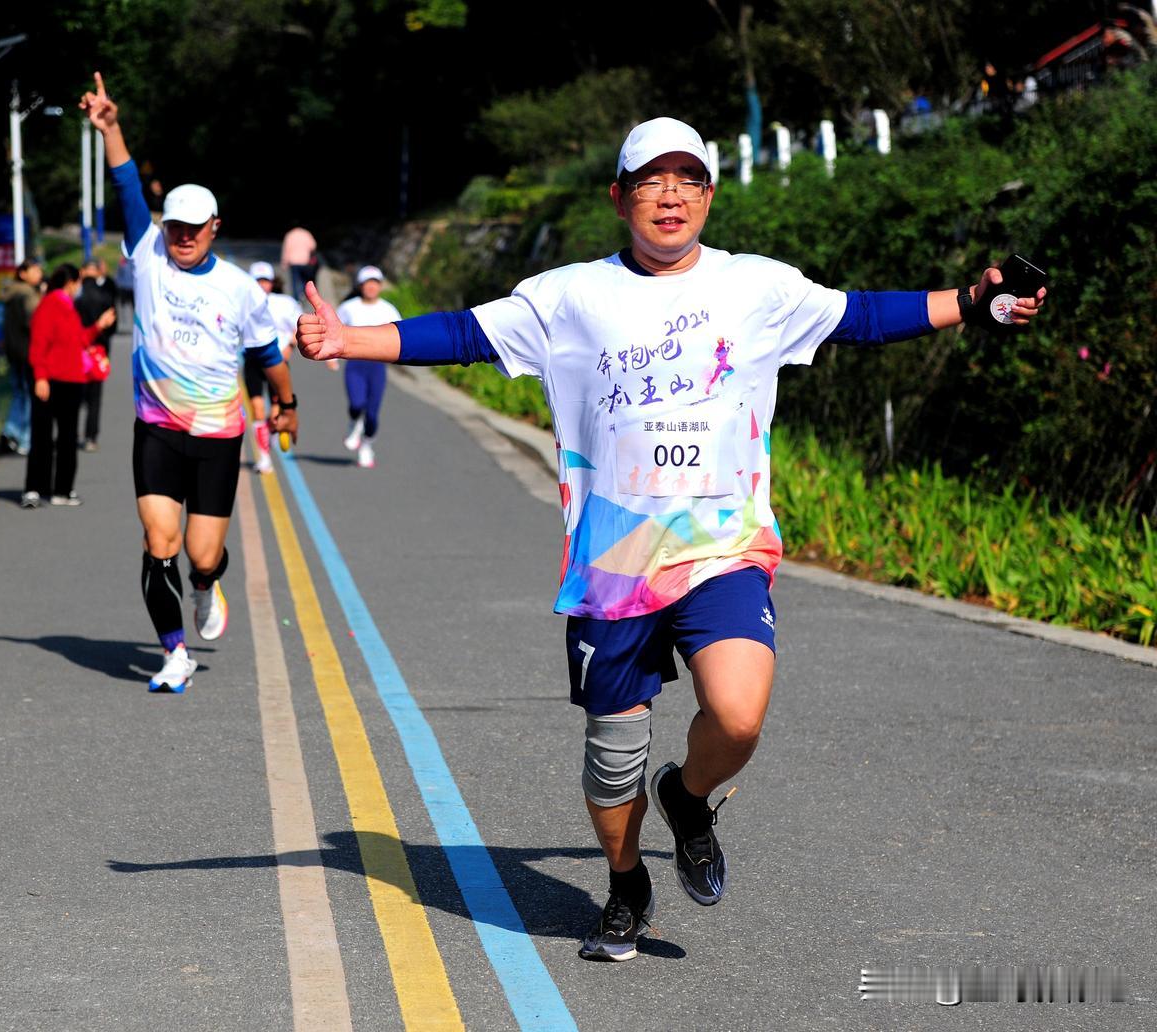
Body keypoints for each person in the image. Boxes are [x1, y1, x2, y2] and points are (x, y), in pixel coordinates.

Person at [296, 117, 1047, 962]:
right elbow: (469, 335)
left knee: (738, 713)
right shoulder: (571, 296)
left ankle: (687, 800)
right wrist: (348, 338)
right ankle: (625, 884)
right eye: (651, 180)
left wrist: (975, 303)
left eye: (688, 179)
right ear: (620, 198)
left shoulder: (756, 287)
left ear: (710, 196)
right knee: (612, 764)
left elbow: (862, 316)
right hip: (615, 565)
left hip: (722, 545)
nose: (671, 195)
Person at [80, 72, 299, 694]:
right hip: (156, 427)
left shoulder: (236, 286)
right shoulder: (145, 253)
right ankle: (173, 652)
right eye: (173, 225)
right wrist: (110, 127)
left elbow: (267, 353)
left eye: (192, 227)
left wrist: (287, 402)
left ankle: (206, 586)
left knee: (203, 555)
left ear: (214, 228)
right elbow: (125, 185)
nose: (180, 236)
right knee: (159, 540)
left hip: (218, 435)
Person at [22, 264, 116, 508]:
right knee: (45, 436)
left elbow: (78, 340)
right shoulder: (51, 306)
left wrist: (98, 326)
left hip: (70, 380)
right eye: (78, 283)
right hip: (53, 379)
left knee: (64, 437)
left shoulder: (66, 307)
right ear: (71, 282)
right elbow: (38, 343)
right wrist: (40, 376)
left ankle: (60, 489)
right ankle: (37, 488)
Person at [336, 266, 401, 469]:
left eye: (375, 283)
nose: (371, 287)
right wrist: (331, 358)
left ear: (380, 286)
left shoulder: (388, 310)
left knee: (372, 414)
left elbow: (401, 338)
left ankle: (366, 445)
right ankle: (354, 423)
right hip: (355, 364)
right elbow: (335, 331)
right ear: (360, 286)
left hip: (377, 366)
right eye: (367, 283)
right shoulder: (349, 307)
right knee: (356, 404)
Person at [246, 261, 303, 474]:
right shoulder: (243, 302)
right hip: (252, 360)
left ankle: (271, 434)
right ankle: (264, 457)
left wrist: (290, 345)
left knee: (275, 413)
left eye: (265, 280)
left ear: (272, 282)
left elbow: (299, 327)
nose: (261, 285)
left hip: (277, 362)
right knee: (257, 409)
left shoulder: (285, 303)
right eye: (257, 281)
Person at [75, 256, 119, 452]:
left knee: (75, 397)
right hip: (99, 352)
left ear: (82, 272)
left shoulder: (76, 298)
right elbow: (112, 326)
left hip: (77, 353)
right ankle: (91, 437)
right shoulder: (106, 297)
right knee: (95, 399)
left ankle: (71, 433)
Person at [1, 258, 44, 456]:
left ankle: (11, 431)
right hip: (27, 352)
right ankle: (26, 438)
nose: (39, 274)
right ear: (22, 273)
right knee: (29, 395)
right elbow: (36, 321)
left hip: (12, 351)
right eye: (34, 270)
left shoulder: (10, 293)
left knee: (19, 393)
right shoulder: (28, 295)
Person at [280, 225, 318, 302]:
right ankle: (303, 293)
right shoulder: (306, 233)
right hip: (305, 261)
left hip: (294, 262)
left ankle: (296, 299)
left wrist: (284, 262)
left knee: (295, 280)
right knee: (304, 279)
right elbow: (313, 246)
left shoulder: (290, 235)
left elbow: (286, 249)